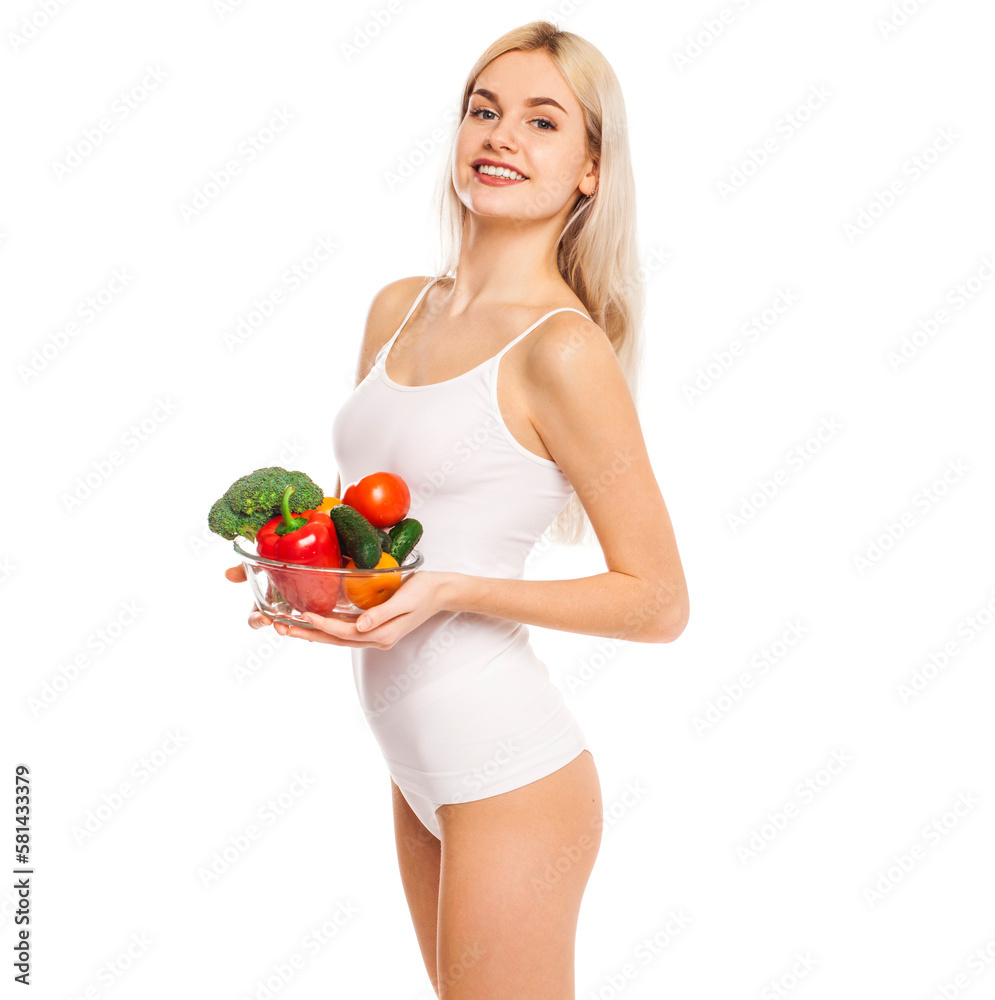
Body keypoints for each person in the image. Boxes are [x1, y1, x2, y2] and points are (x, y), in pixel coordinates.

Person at [226, 19, 689, 999]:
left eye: (540, 120)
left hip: (510, 769)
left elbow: (657, 601)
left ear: (588, 171)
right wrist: (301, 574)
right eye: (483, 109)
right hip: (413, 763)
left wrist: (452, 589)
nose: (500, 134)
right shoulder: (396, 308)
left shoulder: (560, 351)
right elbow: (376, 542)